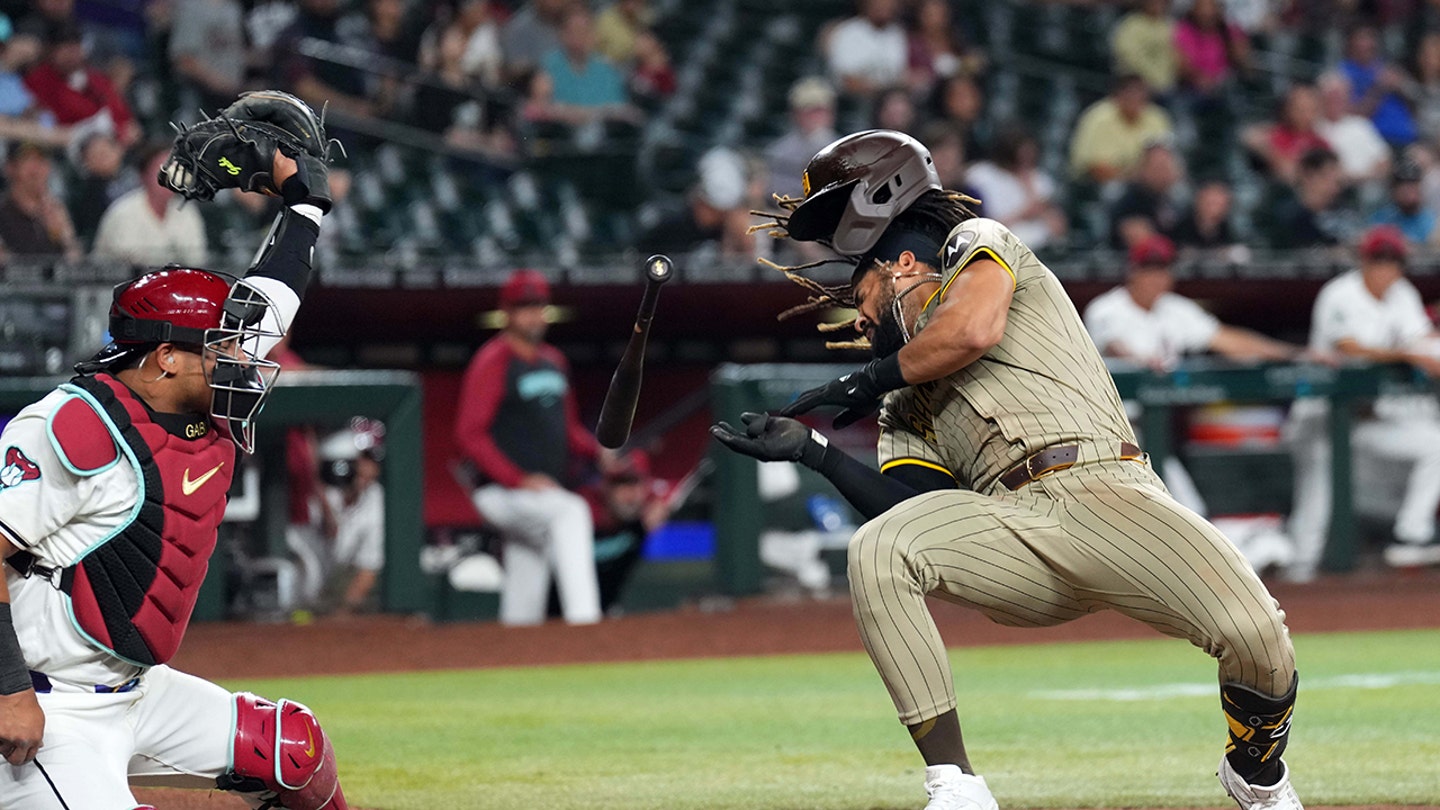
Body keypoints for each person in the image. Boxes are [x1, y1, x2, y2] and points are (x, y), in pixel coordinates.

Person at [716, 130, 1301, 810]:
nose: (862, 317)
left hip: (1108, 493)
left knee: (1259, 640)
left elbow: (971, 330)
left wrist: (867, 377)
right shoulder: (902, 405)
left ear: (906, 262)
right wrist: (813, 453)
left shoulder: (980, 243)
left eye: (867, 294)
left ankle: (1255, 773)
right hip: (1015, 531)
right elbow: (914, 508)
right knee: (881, 549)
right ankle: (957, 786)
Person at [0, 91, 351, 808]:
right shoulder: (73, 425)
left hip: (137, 688)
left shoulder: (196, 388)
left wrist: (305, 209)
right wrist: (7, 694)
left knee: (294, 750)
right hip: (46, 705)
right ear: (163, 359)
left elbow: (272, 298)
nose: (239, 357)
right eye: (220, 347)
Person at [1287, 225, 1440, 581]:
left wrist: (1425, 348)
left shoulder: (1403, 294)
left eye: (1393, 260)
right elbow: (1349, 347)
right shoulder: (1339, 294)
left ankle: (1411, 534)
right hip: (1321, 417)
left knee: (1435, 444)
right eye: (1378, 259)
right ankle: (1298, 576)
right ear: (1365, 261)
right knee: (1316, 502)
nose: (1385, 268)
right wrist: (1407, 354)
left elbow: (1423, 340)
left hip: (1369, 417)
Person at [454, 269, 605, 626]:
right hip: (500, 491)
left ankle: (516, 648)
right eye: (524, 307)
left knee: (527, 576)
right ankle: (586, 625)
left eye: (538, 305)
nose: (533, 314)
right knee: (571, 513)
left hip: (538, 495)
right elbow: (469, 435)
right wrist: (518, 479)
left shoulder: (555, 361)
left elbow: (567, 430)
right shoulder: (493, 361)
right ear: (506, 313)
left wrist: (599, 451)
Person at [91, 141, 210, 267]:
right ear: (144, 176)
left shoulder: (187, 211)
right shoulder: (123, 213)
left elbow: (197, 259)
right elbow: (129, 261)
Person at [580, 450, 670, 613]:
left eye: (635, 483)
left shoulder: (646, 511)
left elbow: (667, 489)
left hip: (607, 608)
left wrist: (662, 501)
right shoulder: (583, 510)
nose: (630, 494)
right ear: (605, 487)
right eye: (621, 484)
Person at [317, 419, 386, 616]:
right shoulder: (316, 494)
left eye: (373, 460)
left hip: (326, 592)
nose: (369, 467)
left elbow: (367, 570)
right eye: (363, 458)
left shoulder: (375, 500)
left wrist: (339, 614)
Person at [963, 124, 1065, 249]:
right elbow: (984, 227)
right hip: (999, 248)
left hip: (1041, 250)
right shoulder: (981, 175)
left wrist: (1030, 188)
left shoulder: (1040, 179)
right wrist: (1023, 214)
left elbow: (1058, 228)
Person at [1069, 73, 1174, 183]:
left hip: (1145, 186)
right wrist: (1132, 181)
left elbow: (1167, 160)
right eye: (1130, 93)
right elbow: (1095, 168)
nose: (1135, 98)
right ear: (1117, 95)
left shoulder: (1157, 117)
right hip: (1096, 184)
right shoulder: (1099, 117)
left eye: (1140, 93)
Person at [1339, 25, 1417, 148]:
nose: (1368, 43)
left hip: (1409, 137)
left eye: (1371, 38)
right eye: (1362, 38)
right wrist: (1379, 88)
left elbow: (1416, 104)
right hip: (1377, 140)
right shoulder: (1343, 73)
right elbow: (1351, 116)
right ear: (1350, 43)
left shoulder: (1386, 67)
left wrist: (1402, 87)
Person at [0, 141, 79, 260]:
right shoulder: (3, 210)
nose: (36, 168)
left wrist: (61, 236)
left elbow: (75, 262)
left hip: (55, 276)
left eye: (41, 160)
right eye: (27, 160)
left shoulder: (56, 208)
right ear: (10, 168)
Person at [765, 77, 839, 201]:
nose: (815, 117)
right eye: (809, 111)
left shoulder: (844, 148)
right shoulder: (779, 151)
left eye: (820, 110)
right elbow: (774, 190)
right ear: (795, 113)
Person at [1241, 83, 1329, 185]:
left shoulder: (1320, 143)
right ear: (1287, 109)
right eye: (1299, 109)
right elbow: (1249, 137)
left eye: (1310, 109)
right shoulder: (1272, 133)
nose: (1305, 115)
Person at [1315, 71, 1391, 187]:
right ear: (1321, 98)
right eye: (1332, 96)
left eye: (1340, 96)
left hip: (1365, 186)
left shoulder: (1361, 125)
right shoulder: (1315, 127)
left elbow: (1384, 161)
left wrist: (1362, 177)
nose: (1336, 101)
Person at [1108, 139, 1184, 249]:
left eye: (1166, 166)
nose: (1162, 173)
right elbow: (1145, 245)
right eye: (1156, 167)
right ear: (1142, 169)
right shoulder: (1129, 203)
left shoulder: (1177, 200)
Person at [824, 0, 907, 100]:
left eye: (888, 3)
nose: (884, 7)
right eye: (879, 3)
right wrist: (881, 90)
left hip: (888, 103)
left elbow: (901, 76)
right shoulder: (847, 32)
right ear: (866, 4)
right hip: (853, 101)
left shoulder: (897, 34)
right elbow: (847, 81)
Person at [1110, 0, 1177, 97]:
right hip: (1136, 85)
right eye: (1153, 2)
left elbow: (1178, 56)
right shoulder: (1130, 24)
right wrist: (1149, 80)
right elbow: (1129, 57)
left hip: (1168, 86)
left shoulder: (1171, 25)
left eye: (1161, 2)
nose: (1157, 5)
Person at [1369, 158, 1438, 246]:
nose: (1409, 195)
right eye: (1403, 189)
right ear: (1393, 190)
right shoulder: (1382, 219)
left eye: (1413, 188)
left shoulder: (1432, 222)